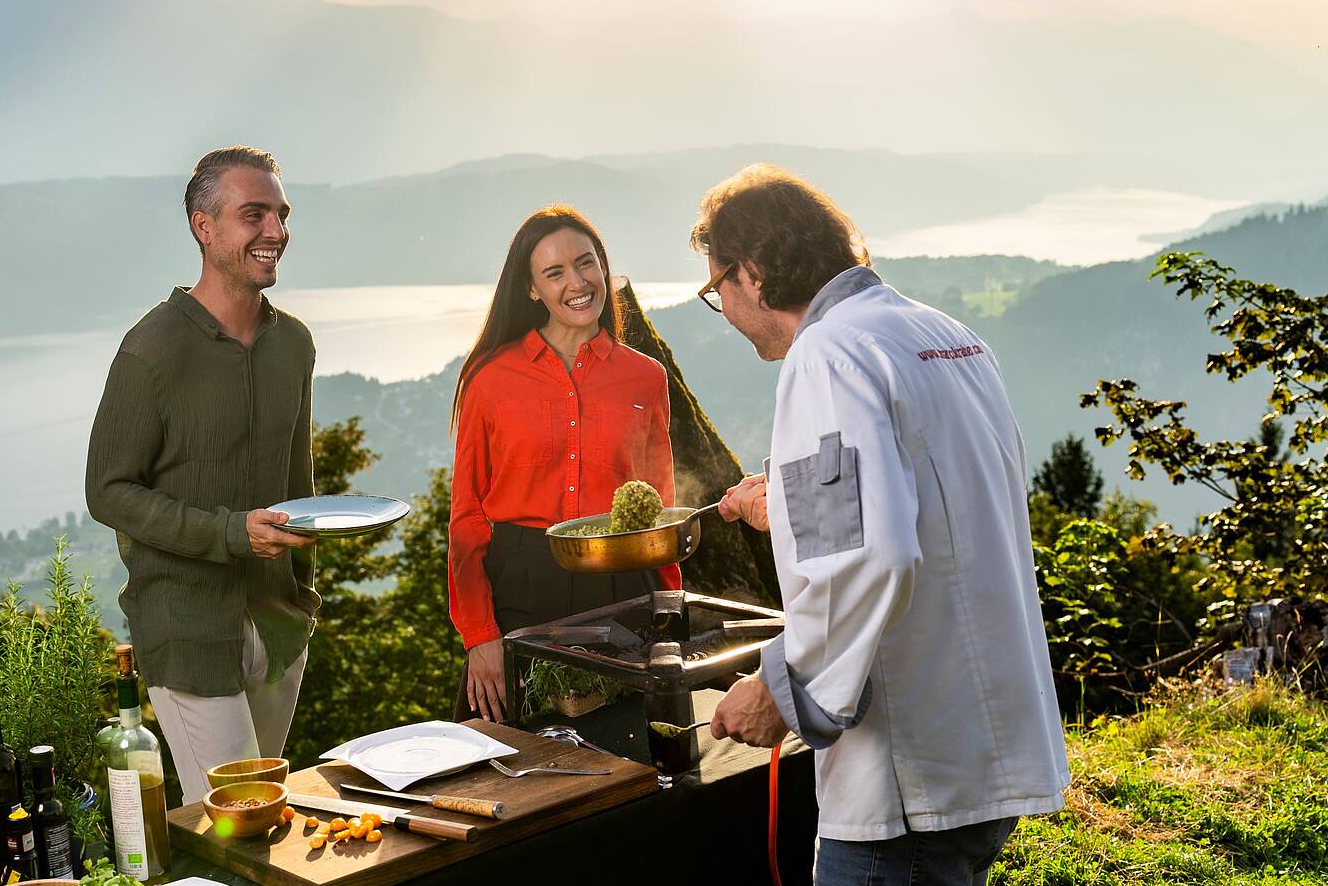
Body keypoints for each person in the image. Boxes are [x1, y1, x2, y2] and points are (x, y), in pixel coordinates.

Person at [693, 165, 1068, 884]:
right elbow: (940, 503)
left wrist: (782, 690)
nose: (725, 310)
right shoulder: (942, 334)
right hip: (988, 749)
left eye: (717, 291)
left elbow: (870, 557)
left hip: (907, 783)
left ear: (755, 270)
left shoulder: (826, 356)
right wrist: (791, 507)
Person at [85, 145, 318, 805]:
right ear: (203, 226)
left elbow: (299, 478)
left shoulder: (294, 344)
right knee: (232, 820)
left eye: (280, 214)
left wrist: (302, 597)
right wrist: (232, 535)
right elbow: (108, 491)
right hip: (188, 631)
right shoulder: (151, 348)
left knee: (261, 821)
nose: (275, 232)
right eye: (254, 215)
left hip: (279, 622)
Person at [448, 205, 679, 722]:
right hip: (521, 588)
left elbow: (659, 507)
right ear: (531, 289)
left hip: (622, 586)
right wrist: (479, 637)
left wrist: (671, 604)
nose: (577, 282)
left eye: (586, 263)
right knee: (512, 758)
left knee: (633, 756)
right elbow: (467, 518)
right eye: (554, 273)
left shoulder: (646, 378)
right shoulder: (489, 378)